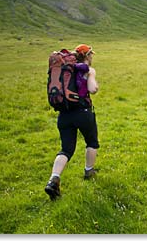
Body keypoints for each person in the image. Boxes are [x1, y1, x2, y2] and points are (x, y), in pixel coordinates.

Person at [45, 44, 100, 201]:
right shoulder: (87, 69)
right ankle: (89, 171)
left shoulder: (64, 68)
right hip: (83, 112)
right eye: (91, 55)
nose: (92, 58)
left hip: (64, 114)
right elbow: (93, 89)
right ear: (87, 56)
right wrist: (93, 80)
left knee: (66, 150)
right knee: (91, 142)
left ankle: (53, 179)